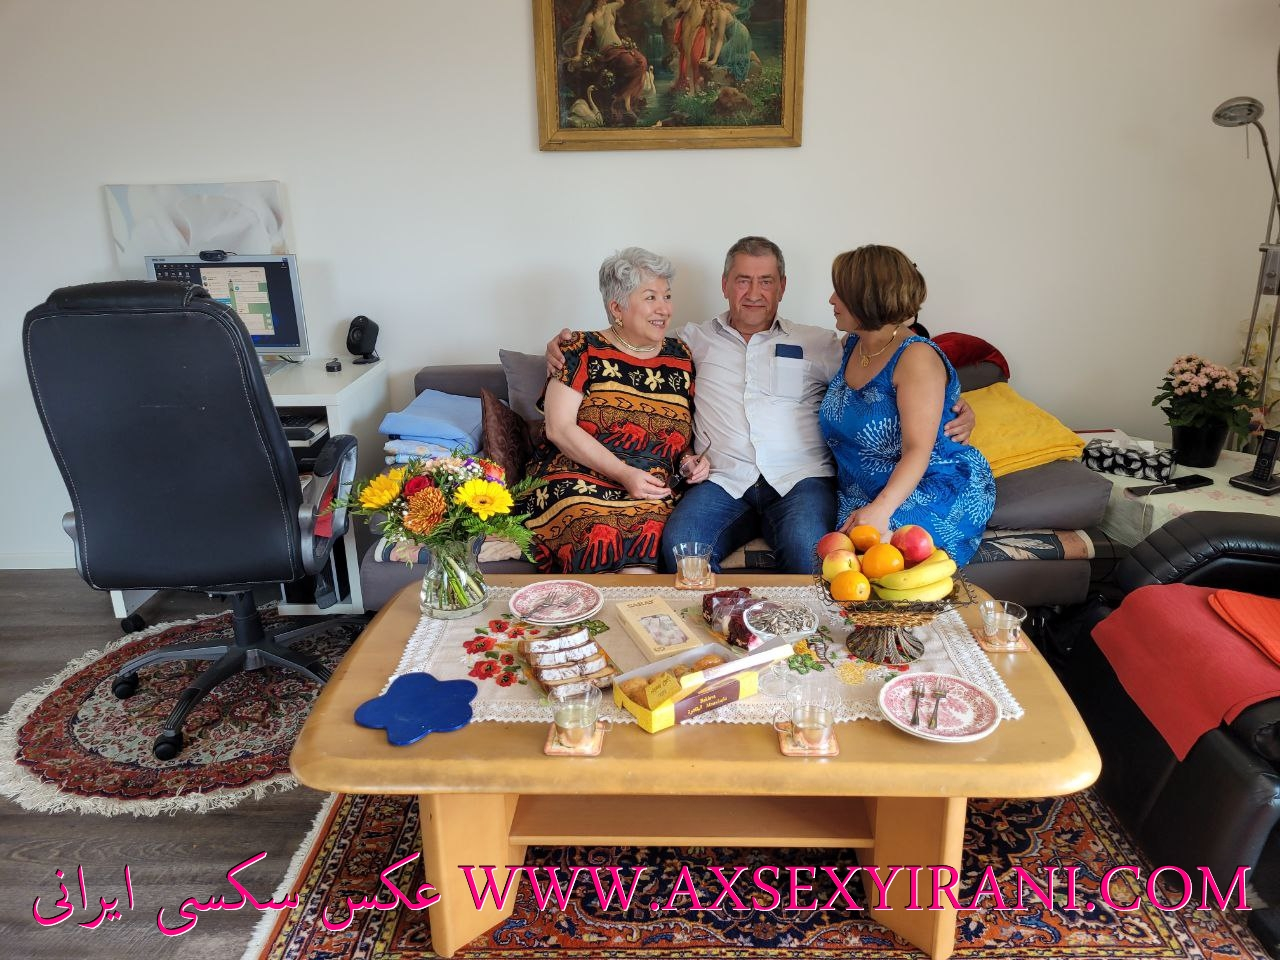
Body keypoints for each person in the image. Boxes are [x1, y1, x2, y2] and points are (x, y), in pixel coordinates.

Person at [547, 236, 975, 574]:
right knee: (682, 551)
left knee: (812, 559)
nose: (754, 293)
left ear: (782, 287)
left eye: (766, 281)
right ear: (724, 285)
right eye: (742, 280)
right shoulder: (687, 342)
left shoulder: (822, 343)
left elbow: (888, 362)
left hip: (800, 480)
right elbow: (629, 344)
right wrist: (563, 346)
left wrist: (959, 409)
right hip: (722, 479)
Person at [521, 247, 711, 574]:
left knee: (652, 529)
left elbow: (682, 436)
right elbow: (559, 428)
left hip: (652, 485)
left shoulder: (681, 356)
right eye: (650, 298)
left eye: (667, 296)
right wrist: (624, 474)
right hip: (578, 477)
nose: (664, 309)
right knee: (593, 525)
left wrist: (690, 461)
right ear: (617, 307)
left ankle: (636, 604)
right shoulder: (579, 348)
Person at [820, 245, 995, 565]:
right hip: (864, 491)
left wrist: (881, 510)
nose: (831, 300)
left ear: (867, 297)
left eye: (840, 292)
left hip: (931, 486)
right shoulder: (851, 345)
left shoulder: (916, 357)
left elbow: (918, 450)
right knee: (836, 561)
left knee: (875, 563)